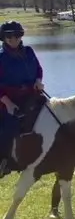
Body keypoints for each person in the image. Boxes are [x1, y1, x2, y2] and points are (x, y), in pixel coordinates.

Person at [0, 20, 45, 178]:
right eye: (9, 36)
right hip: (7, 100)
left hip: (32, 95)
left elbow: (38, 69)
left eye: (17, 35)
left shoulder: (29, 51)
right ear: (3, 38)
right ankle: (4, 161)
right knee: (10, 125)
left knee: (58, 110)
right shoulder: (1, 57)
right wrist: (7, 103)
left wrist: (38, 81)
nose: (14, 39)